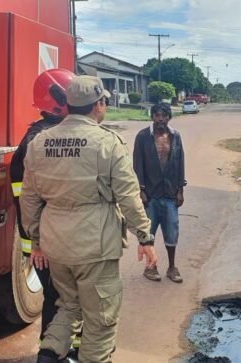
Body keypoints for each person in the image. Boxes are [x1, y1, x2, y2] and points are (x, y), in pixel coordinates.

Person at [20, 75, 157, 363]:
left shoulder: (40, 142)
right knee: (101, 319)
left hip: (56, 245)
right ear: (98, 105)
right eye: (103, 101)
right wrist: (144, 236)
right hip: (95, 247)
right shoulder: (107, 142)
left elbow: (29, 198)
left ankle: (47, 356)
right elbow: (128, 195)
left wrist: (37, 241)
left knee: (68, 307)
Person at [10, 68, 84, 357]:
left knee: (69, 298)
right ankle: (53, 355)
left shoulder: (49, 135)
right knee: (59, 301)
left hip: (52, 239)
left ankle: (72, 352)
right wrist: (37, 243)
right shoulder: (38, 142)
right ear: (59, 100)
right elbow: (28, 199)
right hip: (47, 242)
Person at [133, 103, 186, 283]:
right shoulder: (143, 137)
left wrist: (180, 190)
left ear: (169, 117)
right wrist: (141, 190)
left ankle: (172, 267)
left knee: (172, 232)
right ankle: (150, 267)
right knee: (149, 232)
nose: (160, 119)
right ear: (152, 117)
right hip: (150, 194)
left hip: (170, 193)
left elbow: (180, 163)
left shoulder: (175, 136)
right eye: (156, 115)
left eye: (163, 115)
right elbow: (137, 165)